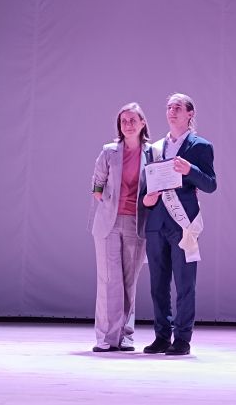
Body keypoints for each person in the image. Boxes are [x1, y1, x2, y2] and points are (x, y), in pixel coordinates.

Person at [141, 93, 217, 356]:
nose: (172, 111)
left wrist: (190, 171)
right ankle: (161, 336)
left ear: (190, 113)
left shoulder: (200, 146)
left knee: (185, 284)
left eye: (177, 107)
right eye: (169, 107)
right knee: (157, 285)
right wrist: (146, 199)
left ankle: (182, 339)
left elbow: (210, 184)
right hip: (156, 222)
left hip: (183, 223)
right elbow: (146, 185)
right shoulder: (154, 148)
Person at [89, 102, 150, 352]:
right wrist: (107, 200)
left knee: (129, 282)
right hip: (109, 223)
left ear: (142, 123)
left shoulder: (153, 153)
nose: (128, 125)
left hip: (137, 223)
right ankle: (106, 337)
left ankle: (125, 335)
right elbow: (96, 186)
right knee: (108, 280)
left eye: (132, 120)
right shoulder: (109, 152)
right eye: (123, 121)